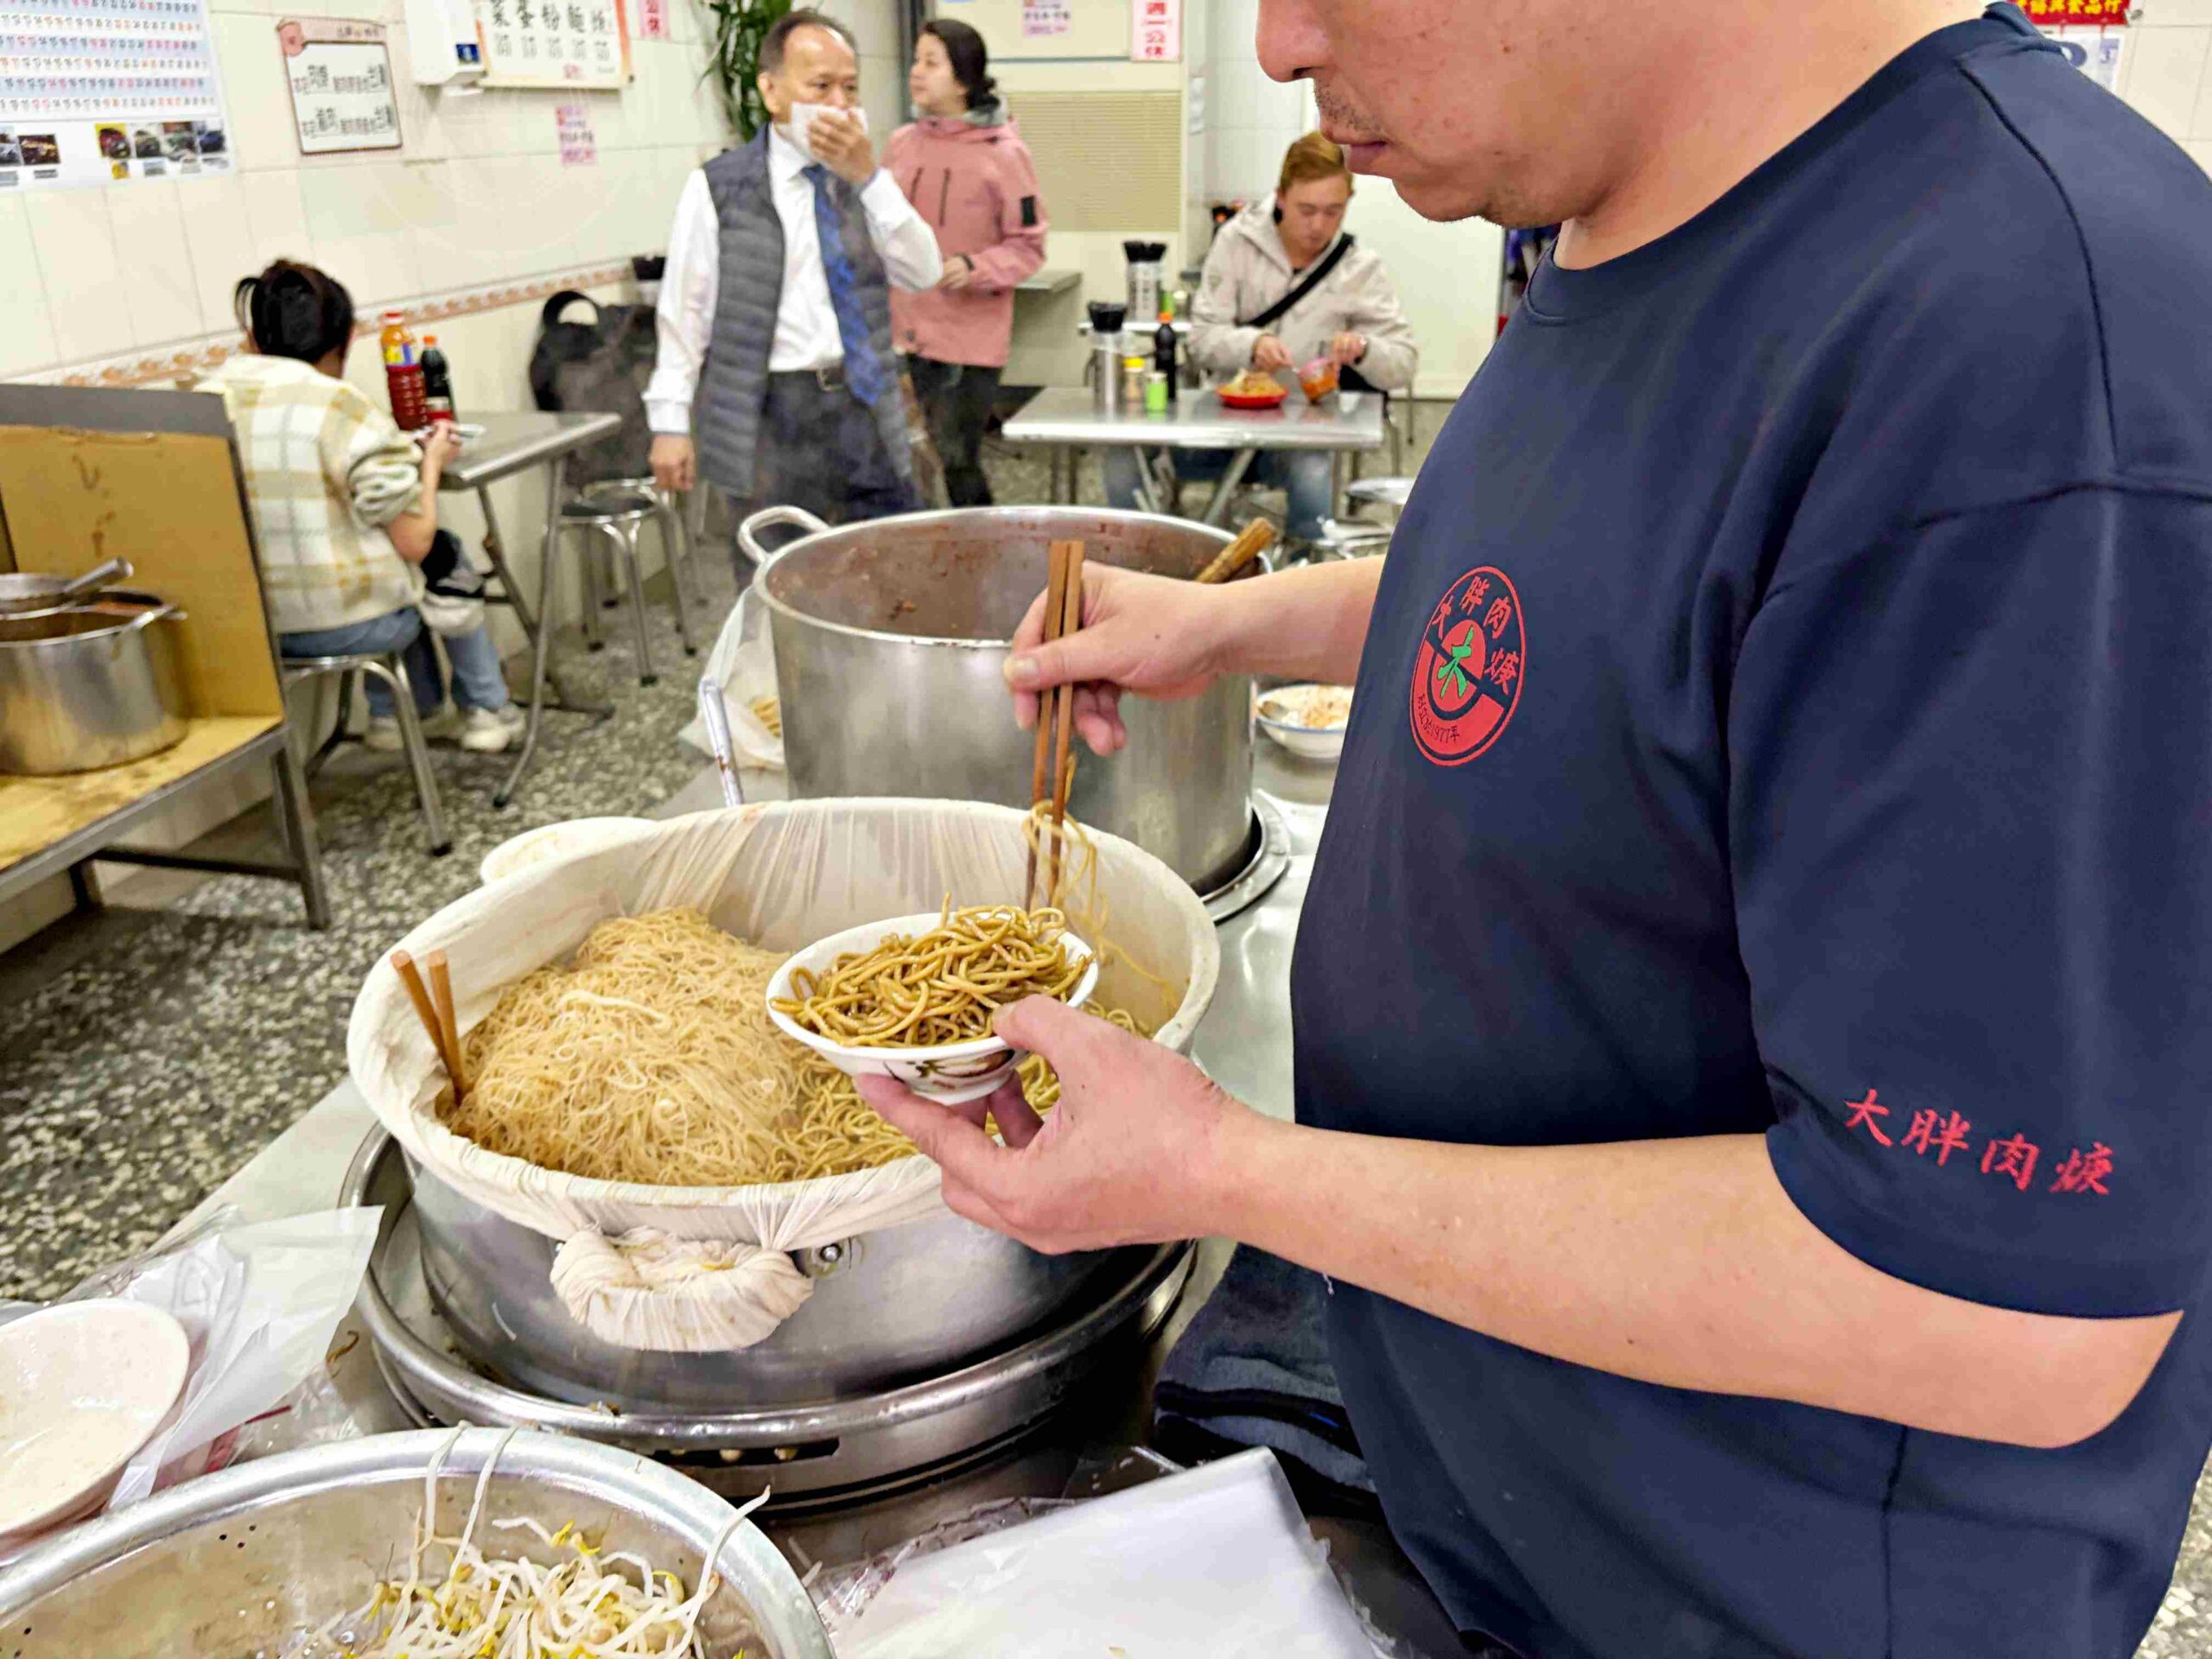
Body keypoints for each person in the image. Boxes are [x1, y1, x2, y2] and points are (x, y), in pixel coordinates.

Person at [853, 3, 2212, 1656]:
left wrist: (1227, 1171)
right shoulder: (1644, 213)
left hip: (1733, 1598)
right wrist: (1239, 626)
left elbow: (2003, 1309)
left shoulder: (2035, 364)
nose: (1276, 46)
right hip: (1500, 1489)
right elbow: (1605, 588)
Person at [645, 10, 943, 542]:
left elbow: (923, 272)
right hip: (770, 413)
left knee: (893, 565)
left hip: (864, 403)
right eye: (820, 86)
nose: (838, 105)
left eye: (850, 89)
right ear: (773, 91)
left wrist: (870, 178)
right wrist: (670, 422)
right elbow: (684, 313)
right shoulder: (720, 187)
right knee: (779, 578)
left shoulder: (867, 183)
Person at [203, 261, 524, 754]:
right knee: (440, 555)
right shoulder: (338, 406)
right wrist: (432, 461)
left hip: (246, 628)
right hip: (346, 627)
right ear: (345, 341)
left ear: (252, 336)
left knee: (395, 572)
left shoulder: (204, 401)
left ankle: (398, 714)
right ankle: (487, 711)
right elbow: (414, 541)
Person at [1103, 132, 1414, 546]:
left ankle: (1304, 573)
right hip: (1220, 421)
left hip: (1299, 431)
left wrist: (1364, 349)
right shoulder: (1236, 242)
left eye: (1333, 211)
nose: (1319, 225)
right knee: (1122, 458)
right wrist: (1250, 345)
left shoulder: (1358, 267)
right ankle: (1141, 557)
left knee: (1312, 470)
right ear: (1281, 197)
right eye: (1306, 210)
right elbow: (1202, 338)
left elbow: (1403, 361)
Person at [884, 18, 1048, 508]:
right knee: (900, 462)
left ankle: (983, 561)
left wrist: (974, 266)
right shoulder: (900, 145)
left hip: (966, 342)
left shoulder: (1005, 153)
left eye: (931, 63)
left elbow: (1029, 247)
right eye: (916, 60)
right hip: (900, 330)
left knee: (956, 459)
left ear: (963, 80)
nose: (917, 72)